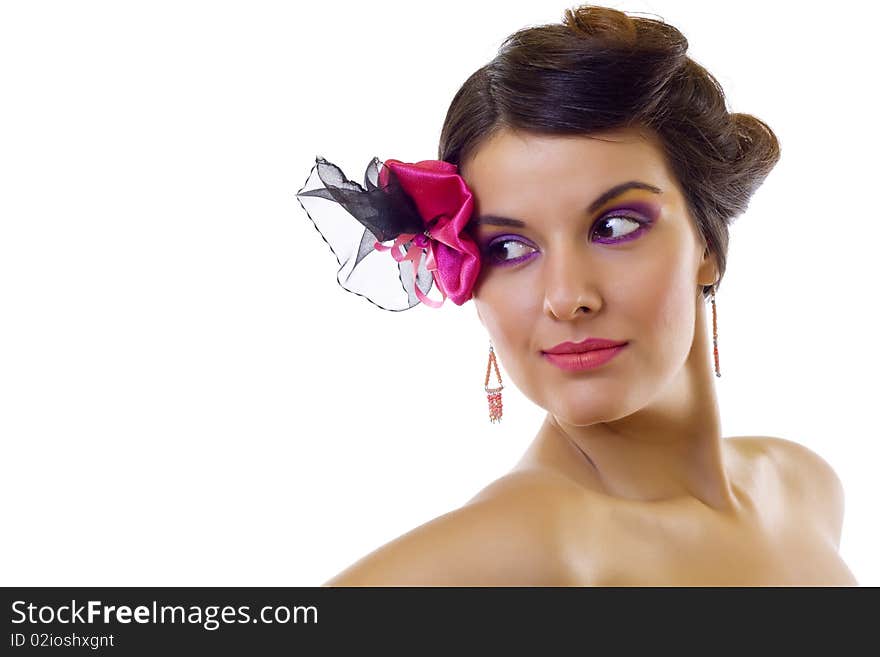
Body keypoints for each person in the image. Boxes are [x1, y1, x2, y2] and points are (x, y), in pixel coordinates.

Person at [296, 4, 858, 586]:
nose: (566, 298)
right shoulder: (494, 561)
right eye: (508, 249)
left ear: (707, 244)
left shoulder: (803, 488)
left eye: (614, 227)